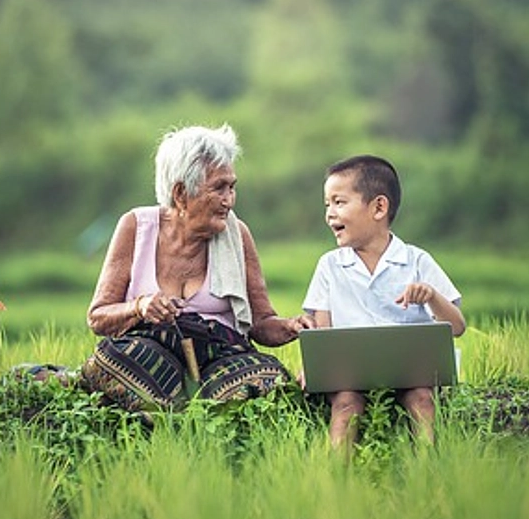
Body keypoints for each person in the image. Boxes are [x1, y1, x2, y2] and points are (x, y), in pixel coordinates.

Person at [82, 124, 314, 414]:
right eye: (219, 188)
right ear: (180, 193)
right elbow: (98, 317)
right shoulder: (136, 227)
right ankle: (183, 414)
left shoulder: (237, 234)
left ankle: (180, 412)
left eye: (232, 187)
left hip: (220, 356)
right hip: (152, 355)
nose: (229, 200)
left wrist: (289, 326)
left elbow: (260, 321)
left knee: (269, 379)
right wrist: (139, 307)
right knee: (117, 359)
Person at [302, 155, 465, 451]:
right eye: (327, 205)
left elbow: (456, 326)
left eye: (339, 203)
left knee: (422, 399)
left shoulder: (416, 261)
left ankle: (428, 470)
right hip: (350, 374)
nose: (329, 214)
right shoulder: (329, 266)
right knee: (345, 404)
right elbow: (321, 330)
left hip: (412, 372)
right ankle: (335, 478)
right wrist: (313, 365)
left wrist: (431, 296)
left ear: (379, 207)